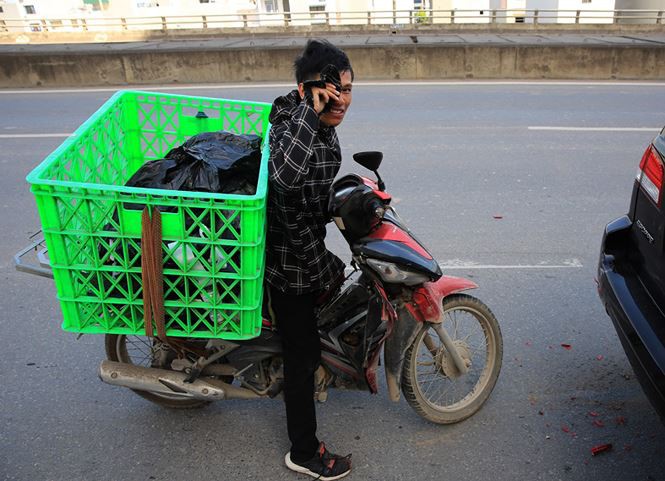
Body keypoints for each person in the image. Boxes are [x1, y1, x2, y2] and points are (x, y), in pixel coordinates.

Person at [265, 39, 354, 480]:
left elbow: (314, 194)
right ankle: (303, 452)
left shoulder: (317, 123)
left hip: (302, 245)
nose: (342, 100)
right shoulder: (291, 125)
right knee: (299, 359)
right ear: (307, 90)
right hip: (287, 262)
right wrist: (321, 264)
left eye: (349, 90)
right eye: (332, 90)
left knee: (335, 282)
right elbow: (284, 181)